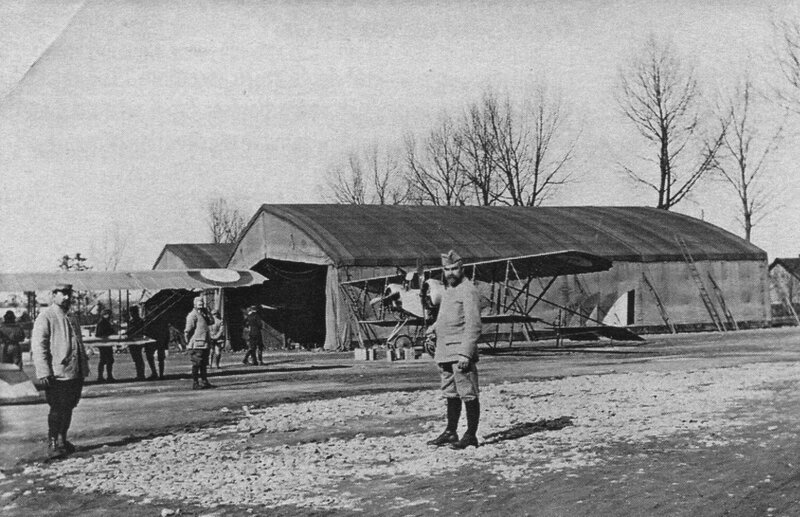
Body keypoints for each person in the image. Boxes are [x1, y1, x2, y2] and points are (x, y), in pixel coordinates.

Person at [425, 250, 482, 449]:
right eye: (447, 269)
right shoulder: (448, 290)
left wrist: (466, 352)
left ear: (462, 268)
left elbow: (473, 324)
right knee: (450, 392)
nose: (450, 273)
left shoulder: (468, 290)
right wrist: (433, 329)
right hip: (444, 351)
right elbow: (446, 318)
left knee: (468, 393)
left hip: (459, 352)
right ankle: (451, 432)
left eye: (454, 269)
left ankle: (471, 435)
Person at [31, 283, 90, 456]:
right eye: (62, 293)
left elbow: (77, 343)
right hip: (57, 373)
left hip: (74, 371)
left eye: (68, 294)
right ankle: (53, 442)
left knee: (70, 406)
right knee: (57, 407)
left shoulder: (71, 317)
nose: (66, 297)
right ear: (53, 295)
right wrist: (43, 371)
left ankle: (63, 439)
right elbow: (38, 345)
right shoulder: (46, 316)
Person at [184, 296, 215, 389]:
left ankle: (204, 381)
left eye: (202, 303)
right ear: (195, 304)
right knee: (196, 364)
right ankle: (195, 382)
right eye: (199, 303)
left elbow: (211, 321)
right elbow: (188, 330)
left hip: (205, 343)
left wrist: (208, 312)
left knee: (204, 364)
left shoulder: (204, 314)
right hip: (196, 344)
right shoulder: (192, 315)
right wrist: (187, 342)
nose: (201, 305)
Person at [93, 309, 117, 382]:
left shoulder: (104, 322)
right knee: (107, 360)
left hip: (105, 343)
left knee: (105, 360)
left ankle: (104, 376)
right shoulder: (103, 323)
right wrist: (111, 331)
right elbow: (99, 333)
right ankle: (106, 376)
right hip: (104, 344)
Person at [126, 306, 146, 380]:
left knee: (138, 359)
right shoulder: (133, 321)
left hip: (136, 341)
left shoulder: (137, 321)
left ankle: (141, 374)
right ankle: (140, 374)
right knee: (137, 359)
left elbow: (133, 330)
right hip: (133, 341)